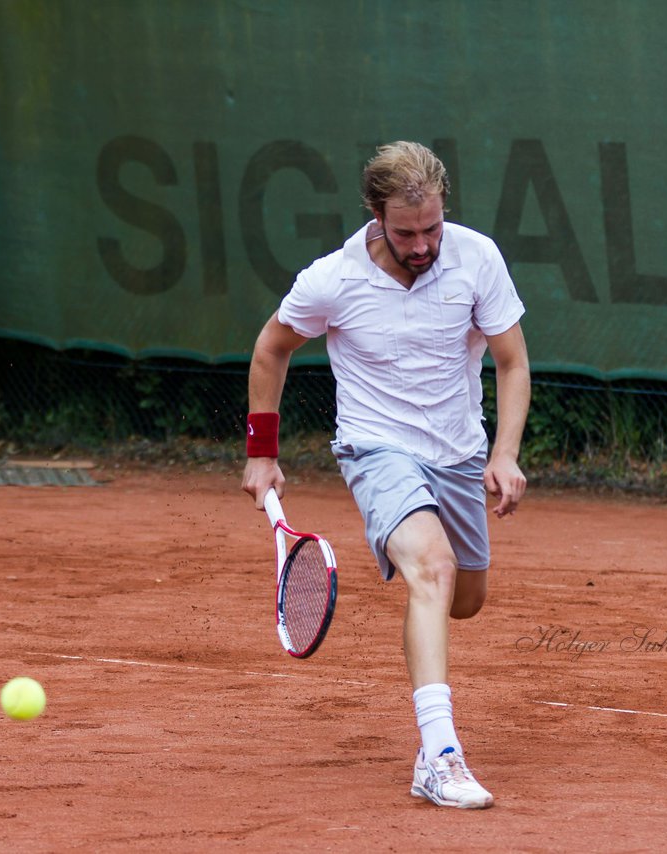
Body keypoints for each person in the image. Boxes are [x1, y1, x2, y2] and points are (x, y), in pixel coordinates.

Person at [241, 141, 530, 809]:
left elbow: (512, 363)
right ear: (375, 214)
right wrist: (261, 451)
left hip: (458, 454)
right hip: (376, 449)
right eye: (407, 232)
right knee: (430, 566)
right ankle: (441, 756)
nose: (424, 244)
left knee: (463, 596)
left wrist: (505, 452)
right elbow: (271, 348)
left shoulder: (476, 258)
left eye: (432, 227)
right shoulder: (332, 280)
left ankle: (426, 601)